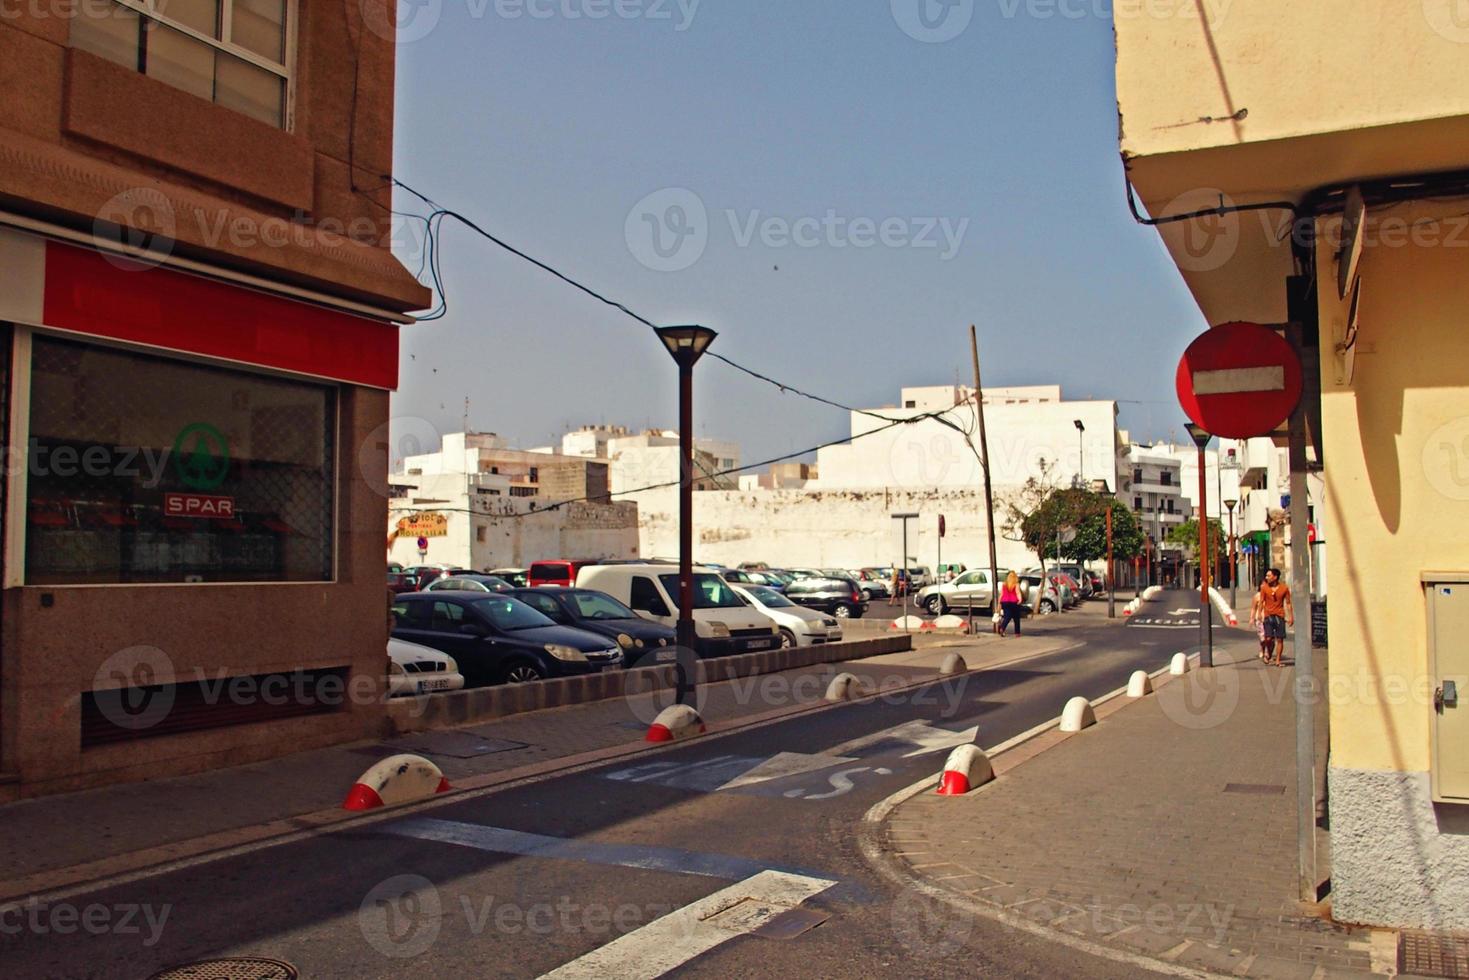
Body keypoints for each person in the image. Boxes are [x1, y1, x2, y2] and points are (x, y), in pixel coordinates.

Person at [1258, 567, 1294, 666]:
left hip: (1280, 615)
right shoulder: (1264, 588)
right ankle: (1268, 653)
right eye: (1266, 576)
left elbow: (1288, 603)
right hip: (1268, 615)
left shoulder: (1284, 588)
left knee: (1280, 639)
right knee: (1268, 638)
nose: (1267, 577)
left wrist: (1291, 617)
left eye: (1269, 576)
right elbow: (1261, 601)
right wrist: (1259, 614)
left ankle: (1278, 660)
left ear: (1275, 577)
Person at [997, 571, 1025, 637]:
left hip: (1005, 602)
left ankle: (1002, 628)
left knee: (1007, 616)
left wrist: (999, 602)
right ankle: (1017, 633)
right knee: (1016, 618)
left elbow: (1001, 594)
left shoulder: (1004, 584)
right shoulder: (1016, 584)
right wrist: (1020, 600)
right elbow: (1018, 592)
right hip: (1014, 602)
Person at [1250, 589, 1269, 661]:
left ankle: (1268, 652)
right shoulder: (1257, 596)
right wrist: (1252, 618)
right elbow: (1254, 608)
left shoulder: (1270, 594)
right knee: (1263, 637)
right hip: (1260, 619)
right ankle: (1262, 649)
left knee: (1269, 637)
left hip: (1269, 618)